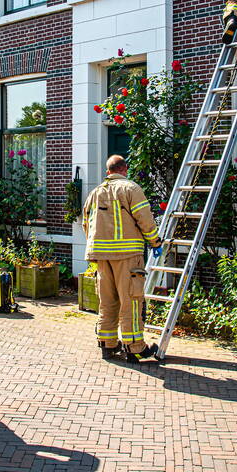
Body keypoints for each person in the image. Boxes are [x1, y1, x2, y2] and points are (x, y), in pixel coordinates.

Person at [82, 155, 163, 362]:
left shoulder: (94, 193)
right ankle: (135, 347)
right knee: (131, 301)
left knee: (107, 301)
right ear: (124, 169)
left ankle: (108, 345)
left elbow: (86, 224)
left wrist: (97, 248)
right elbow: (144, 218)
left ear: (108, 171)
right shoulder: (131, 189)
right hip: (128, 256)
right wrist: (155, 242)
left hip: (101, 257)